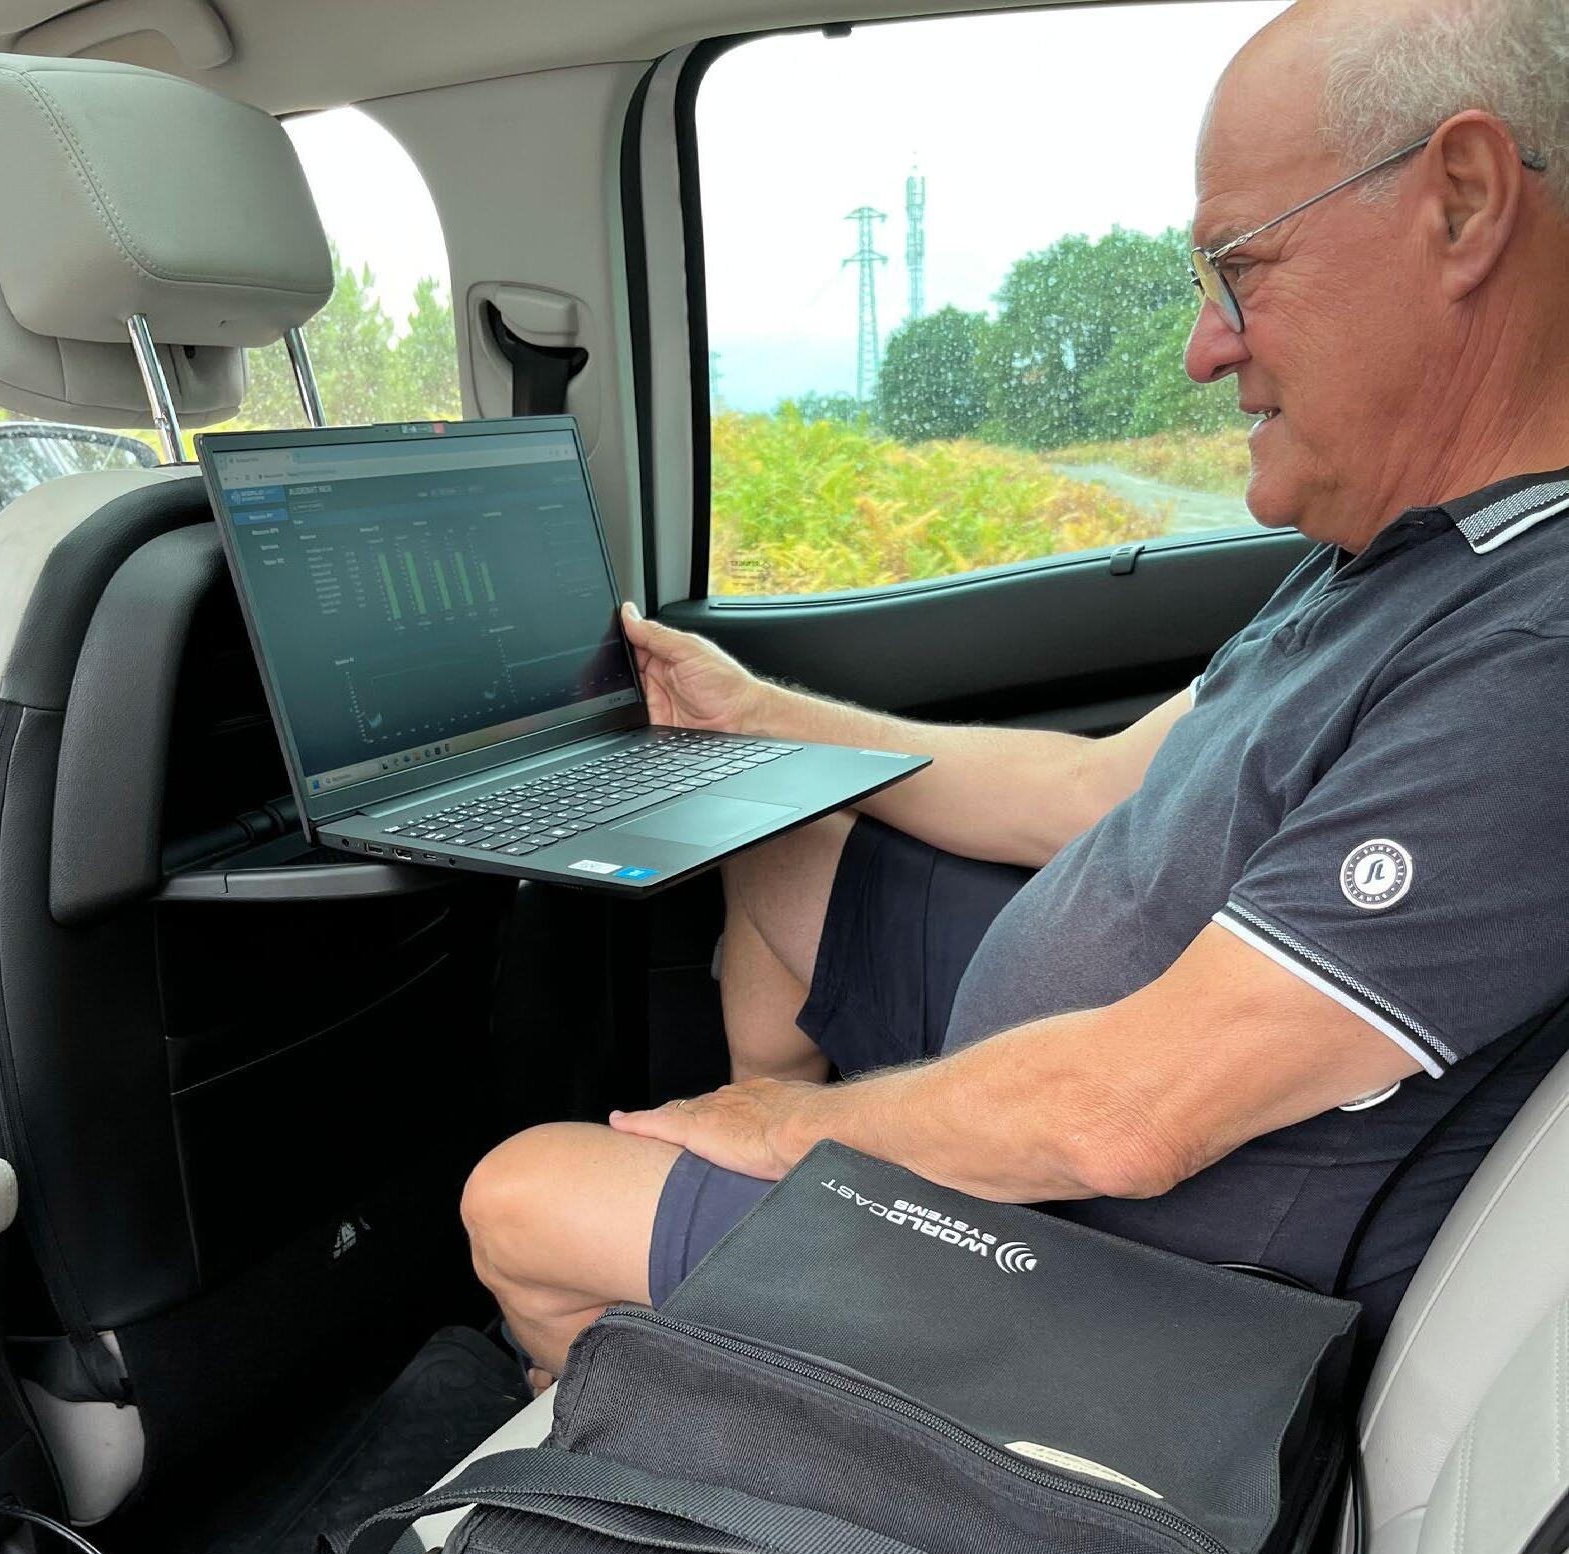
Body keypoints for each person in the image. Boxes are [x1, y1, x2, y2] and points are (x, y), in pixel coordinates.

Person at [464, 0, 1569, 1385]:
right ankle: (762, 1322)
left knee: (520, 1201)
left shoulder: (1536, 652)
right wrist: (761, 712)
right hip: (1055, 1114)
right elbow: (1094, 785)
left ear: (1460, 204)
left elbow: (1131, 1119)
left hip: (1132, 1285)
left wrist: (790, 1136)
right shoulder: (1393, 557)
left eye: (1242, 267)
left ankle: (726, 1427)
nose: (1205, 348)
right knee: (782, 846)